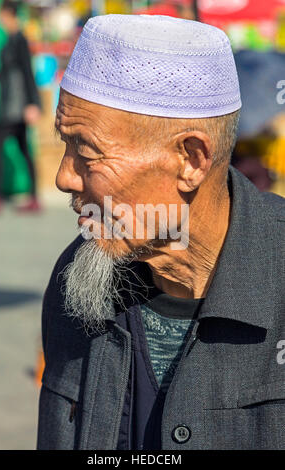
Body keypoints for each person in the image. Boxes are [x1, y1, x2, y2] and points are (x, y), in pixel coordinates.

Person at [37, 15, 285, 450]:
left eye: (88, 153)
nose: (64, 177)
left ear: (191, 160)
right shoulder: (75, 281)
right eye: (64, 143)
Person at [0, 0, 41, 215]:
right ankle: (34, 198)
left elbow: (28, 73)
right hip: (11, 104)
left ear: (9, 14)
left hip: (15, 107)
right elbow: (12, 71)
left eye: (1, 15)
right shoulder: (10, 40)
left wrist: (32, 104)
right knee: (24, 150)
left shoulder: (19, 40)